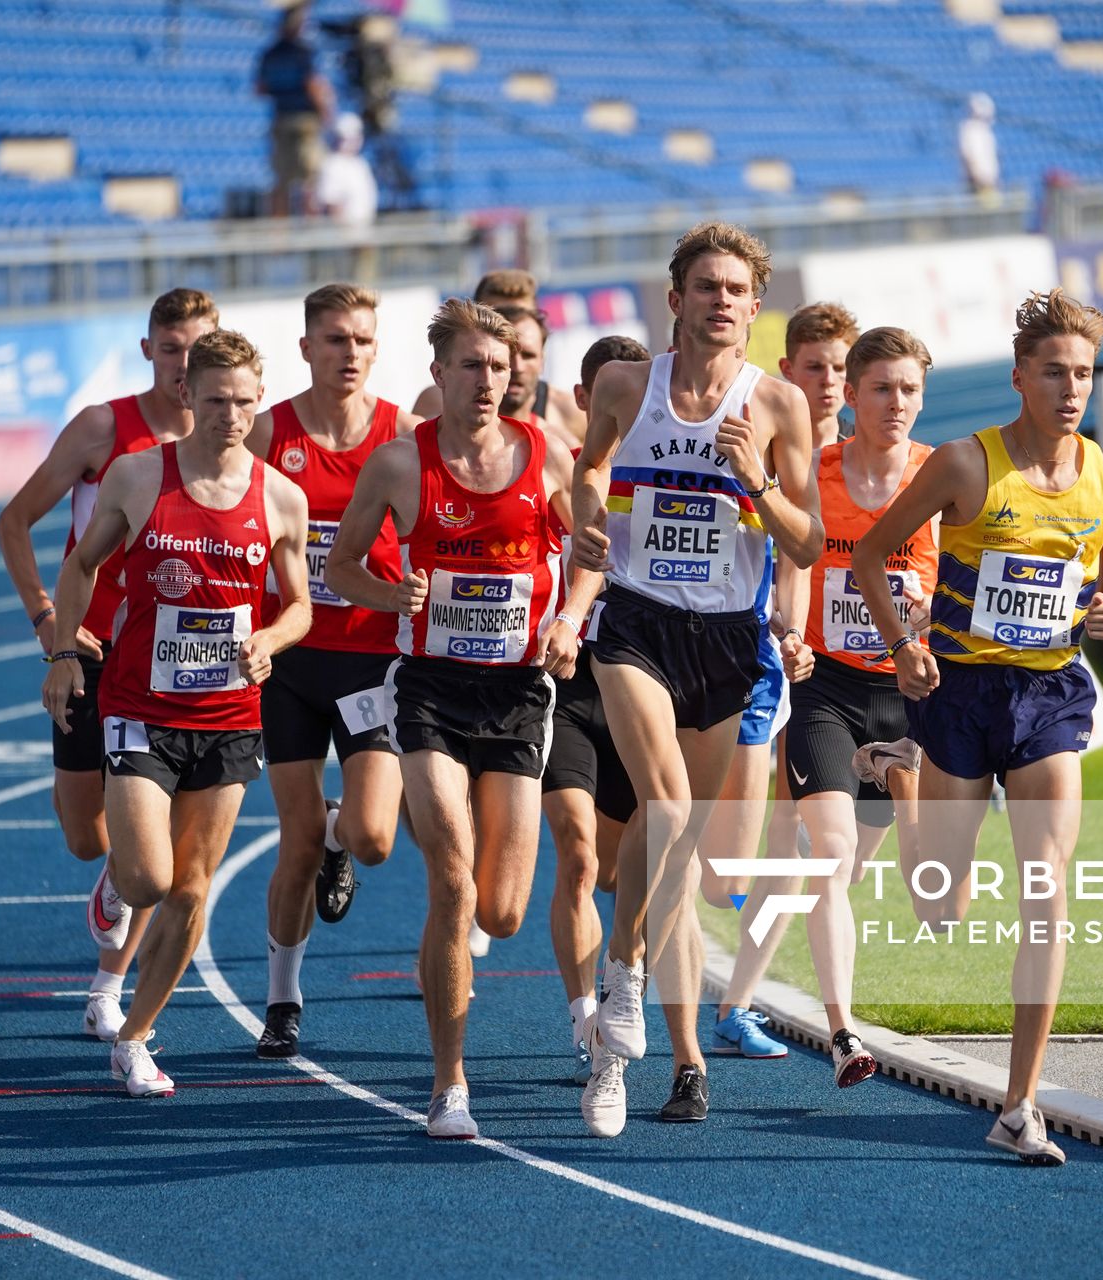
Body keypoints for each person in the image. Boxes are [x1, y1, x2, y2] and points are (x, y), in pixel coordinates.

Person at [850, 289, 1103, 1164]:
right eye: (1054, 372)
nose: (1070, 388)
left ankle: (1021, 1104)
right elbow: (870, 555)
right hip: (962, 695)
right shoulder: (964, 466)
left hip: (1051, 698)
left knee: (1047, 887)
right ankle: (906, 779)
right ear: (1020, 377)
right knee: (942, 901)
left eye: (1083, 374)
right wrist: (903, 646)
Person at [325, 298, 598, 1139]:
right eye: (473, 366)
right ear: (438, 374)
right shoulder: (399, 466)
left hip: (517, 694)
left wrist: (566, 620)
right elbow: (340, 569)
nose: (491, 380)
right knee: (451, 881)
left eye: (504, 364)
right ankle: (450, 1087)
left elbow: (591, 556)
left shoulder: (546, 456)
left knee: (503, 911)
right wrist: (387, 591)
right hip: (430, 688)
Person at [571, 221, 821, 1137]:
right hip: (635, 622)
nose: (721, 301)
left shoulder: (780, 406)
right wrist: (587, 525)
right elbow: (588, 469)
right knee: (665, 809)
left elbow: (809, 543)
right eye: (704, 287)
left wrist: (755, 480)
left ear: (758, 306)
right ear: (674, 301)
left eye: (736, 290)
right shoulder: (626, 384)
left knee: (669, 833)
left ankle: (615, 1026)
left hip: (727, 641)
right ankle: (626, 983)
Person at [42, 329, 312, 1097]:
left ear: (260, 402)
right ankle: (116, 885)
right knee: (149, 878)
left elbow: (300, 609)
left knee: (193, 887)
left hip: (230, 717)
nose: (231, 414)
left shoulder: (279, 497)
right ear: (187, 396)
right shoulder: (137, 476)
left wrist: (270, 638)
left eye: (244, 401)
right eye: (217, 399)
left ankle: (136, 1037)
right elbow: (81, 566)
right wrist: (65, 652)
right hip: (139, 708)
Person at [0, 287, 219, 1044]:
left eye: (200, 348)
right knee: (85, 835)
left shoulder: (229, 431)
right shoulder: (104, 429)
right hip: (86, 652)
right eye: (173, 348)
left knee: (149, 836)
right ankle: (113, 871)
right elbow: (15, 521)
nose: (186, 364)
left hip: (173, 662)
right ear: (148, 350)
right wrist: (46, 621)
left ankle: (107, 987)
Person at [244, 283, 421, 1059]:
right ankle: (283, 998)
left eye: (362, 341)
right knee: (296, 840)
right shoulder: (265, 433)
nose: (350, 354)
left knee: (375, 837)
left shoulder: (404, 436)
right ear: (307, 347)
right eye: (336, 340)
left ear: (377, 350)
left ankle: (343, 843)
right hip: (289, 658)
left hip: (371, 659)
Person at [776, 326, 940, 1088]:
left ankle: (895, 792)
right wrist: (788, 632)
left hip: (909, 697)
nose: (896, 403)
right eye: (881, 387)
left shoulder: (942, 477)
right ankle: (842, 1030)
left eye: (909, 389)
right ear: (852, 394)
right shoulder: (815, 471)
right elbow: (795, 567)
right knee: (834, 859)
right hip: (828, 688)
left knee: (930, 898)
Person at [709, 300, 860, 1060]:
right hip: (768, 665)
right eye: (814, 368)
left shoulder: (876, 467)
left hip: (836, 682)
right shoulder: (766, 447)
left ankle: (735, 1003)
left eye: (841, 369)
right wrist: (785, 627)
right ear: (787, 371)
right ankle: (656, 964)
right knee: (743, 862)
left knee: (798, 857)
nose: (828, 384)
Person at [543, 334, 650, 1085]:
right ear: (586, 399)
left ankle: (621, 978)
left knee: (622, 875)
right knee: (579, 861)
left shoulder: (673, 475)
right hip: (569, 688)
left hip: (643, 688)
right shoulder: (550, 474)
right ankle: (591, 1027)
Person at [412, 272, 588, 441]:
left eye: (527, 354)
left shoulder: (565, 417)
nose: (508, 328)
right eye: (496, 316)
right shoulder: (435, 402)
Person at [258, 4, 335, 217]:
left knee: (281, 180)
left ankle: (278, 239)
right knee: (310, 180)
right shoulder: (304, 53)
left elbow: (260, 88)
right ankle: (310, 234)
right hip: (305, 122)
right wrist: (326, 112)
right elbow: (313, 85)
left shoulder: (270, 53)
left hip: (281, 118)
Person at [314, 112, 379, 231]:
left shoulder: (360, 163)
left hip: (363, 229)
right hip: (346, 232)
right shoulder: (332, 164)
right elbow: (332, 203)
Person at [958, 92, 999, 199]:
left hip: (989, 182)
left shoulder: (985, 131)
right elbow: (968, 155)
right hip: (979, 183)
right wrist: (977, 178)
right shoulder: (970, 130)